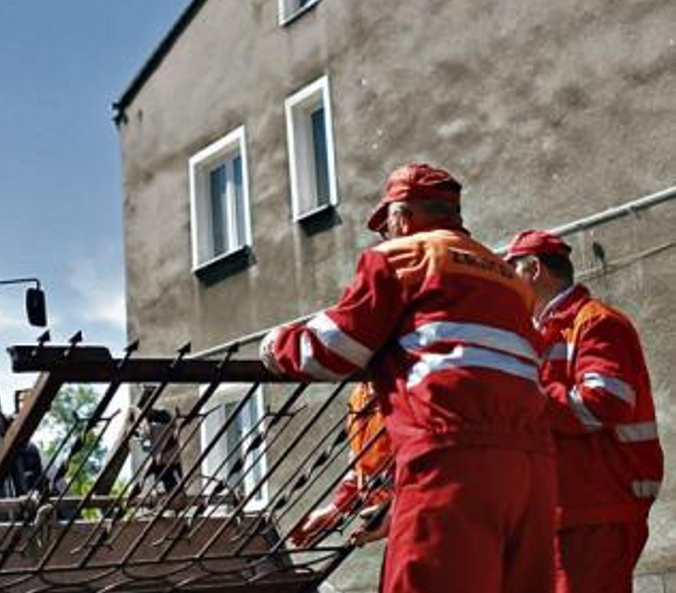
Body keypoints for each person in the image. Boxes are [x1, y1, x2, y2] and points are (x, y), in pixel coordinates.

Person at [260, 163, 556, 593]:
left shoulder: (402, 257)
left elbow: (334, 348)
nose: (386, 235)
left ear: (403, 215)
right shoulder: (509, 278)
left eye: (387, 225)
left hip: (451, 460)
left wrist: (276, 345)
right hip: (533, 467)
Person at [505, 230, 663, 593]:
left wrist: (521, 394)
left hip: (599, 502)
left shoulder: (595, 322)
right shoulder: (547, 331)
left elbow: (602, 403)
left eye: (510, 271)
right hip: (573, 505)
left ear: (533, 269)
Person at [290, 382, 392, 548]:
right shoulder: (359, 394)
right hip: (397, 527)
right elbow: (361, 468)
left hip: (424, 523)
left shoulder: (408, 394)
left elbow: (433, 473)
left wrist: (393, 514)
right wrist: (334, 509)